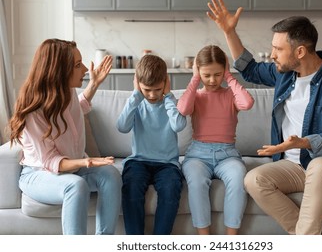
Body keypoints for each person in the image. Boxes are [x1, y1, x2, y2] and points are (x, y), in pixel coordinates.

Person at [207, 0, 322, 235]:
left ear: (299, 51)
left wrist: (305, 142)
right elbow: (249, 70)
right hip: (294, 166)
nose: (272, 55)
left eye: (278, 49)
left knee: (319, 166)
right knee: (254, 180)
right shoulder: (286, 74)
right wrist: (229, 32)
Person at [8, 38, 122, 235]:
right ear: (58, 70)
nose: (85, 69)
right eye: (78, 65)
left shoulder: (66, 92)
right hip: (39, 174)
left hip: (73, 169)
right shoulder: (32, 111)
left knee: (111, 175)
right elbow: (52, 162)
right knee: (75, 185)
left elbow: (79, 108)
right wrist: (87, 162)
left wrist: (94, 84)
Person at [177, 45, 254, 235]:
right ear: (198, 72)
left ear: (225, 71)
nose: (212, 80)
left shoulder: (230, 95)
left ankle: (230, 239)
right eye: (206, 75)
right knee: (196, 181)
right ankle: (205, 239)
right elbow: (183, 109)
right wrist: (195, 79)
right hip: (197, 155)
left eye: (218, 74)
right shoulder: (196, 95)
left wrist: (230, 77)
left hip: (227, 155)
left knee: (238, 178)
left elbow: (247, 103)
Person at [116, 54, 187, 235]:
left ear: (166, 82)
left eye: (157, 89)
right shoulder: (136, 102)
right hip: (139, 161)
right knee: (131, 187)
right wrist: (135, 95)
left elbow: (179, 125)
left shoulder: (171, 102)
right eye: (147, 89)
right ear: (137, 83)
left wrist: (169, 96)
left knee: (171, 189)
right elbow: (122, 127)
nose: (153, 95)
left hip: (167, 164)